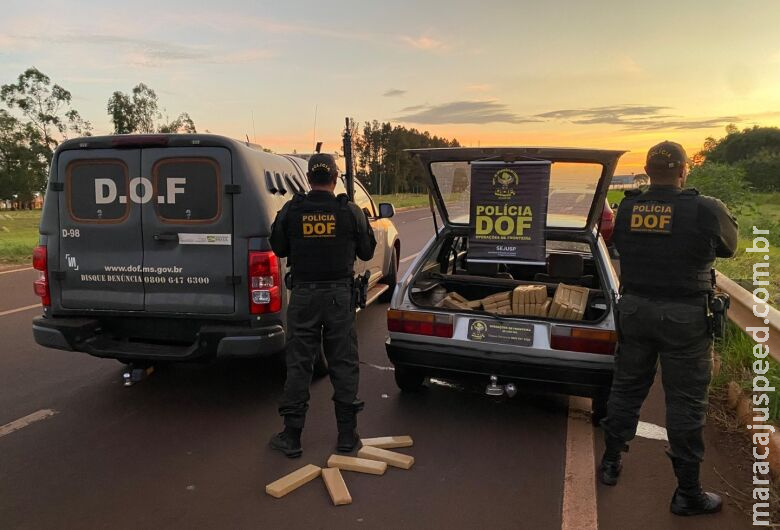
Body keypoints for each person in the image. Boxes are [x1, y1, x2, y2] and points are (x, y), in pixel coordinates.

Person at [599, 141, 738, 516]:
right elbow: (730, 247)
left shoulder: (628, 207)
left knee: (626, 388)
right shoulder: (706, 208)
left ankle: (610, 463)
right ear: (683, 171)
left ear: (647, 171)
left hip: (636, 309)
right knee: (686, 404)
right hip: (685, 317)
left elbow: (618, 244)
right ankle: (687, 493)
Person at [268, 153, 376, 458]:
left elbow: (277, 246)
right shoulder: (350, 211)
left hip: (303, 295)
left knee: (299, 363)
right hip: (339, 297)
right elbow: (367, 253)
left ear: (308, 178)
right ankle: (346, 436)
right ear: (335, 177)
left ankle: (291, 436)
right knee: (343, 362)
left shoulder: (292, 209)